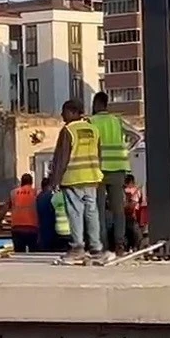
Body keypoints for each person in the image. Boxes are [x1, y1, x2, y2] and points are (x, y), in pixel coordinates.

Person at [48, 99, 104, 261]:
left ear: (72, 112)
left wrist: (55, 181)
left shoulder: (68, 130)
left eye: (64, 112)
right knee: (92, 212)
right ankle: (96, 247)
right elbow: (99, 154)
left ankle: (77, 246)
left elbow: (61, 158)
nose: (62, 115)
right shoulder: (93, 129)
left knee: (75, 213)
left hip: (73, 178)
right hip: (91, 177)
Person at [89, 92, 130, 256]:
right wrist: (126, 150)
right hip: (118, 168)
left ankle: (102, 245)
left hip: (98, 169)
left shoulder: (91, 122)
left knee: (98, 209)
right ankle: (120, 244)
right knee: (118, 209)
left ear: (97, 104)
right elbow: (138, 136)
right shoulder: (117, 121)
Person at [4, 173, 38, 252]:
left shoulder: (13, 192)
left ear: (21, 182)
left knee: (19, 252)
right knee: (33, 253)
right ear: (31, 182)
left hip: (17, 228)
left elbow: (6, 207)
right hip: (32, 228)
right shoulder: (36, 192)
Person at [123, 174, 145, 251]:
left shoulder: (125, 191)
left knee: (131, 231)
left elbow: (133, 204)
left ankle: (131, 246)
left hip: (130, 214)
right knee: (133, 231)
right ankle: (135, 246)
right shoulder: (136, 190)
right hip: (132, 215)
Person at [35, 178, 56, 251]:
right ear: (49, 186)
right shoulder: (52, 196)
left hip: (41, 226)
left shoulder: (38, 197)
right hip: (51, 226)